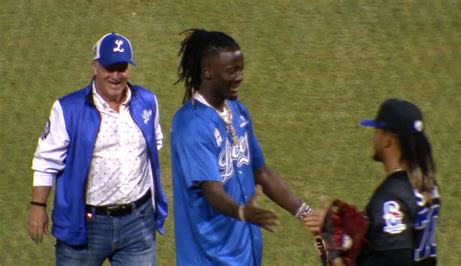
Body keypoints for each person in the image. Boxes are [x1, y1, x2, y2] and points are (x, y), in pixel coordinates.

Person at [170, 28, 313, 266]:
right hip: (210, 257)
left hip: (245, 253)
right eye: (231, 71)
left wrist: (305, 214)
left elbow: (260, 172)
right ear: (207, 72)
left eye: (241, 68)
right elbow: (212, 190)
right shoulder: (191, 125)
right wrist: (242, 212)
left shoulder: (237, 111)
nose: (240, 77)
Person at [26, 32, 168, 266]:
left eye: (121, 68)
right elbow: (46, 161)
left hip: (137, 222)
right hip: (86, 224)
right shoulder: (67, 109)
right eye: (108, 67)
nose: (115, 75)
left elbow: (155, 145)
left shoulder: (147, 101)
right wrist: (37, 205)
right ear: (95, 67)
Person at [304, 99, 440, 266]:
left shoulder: (390, 198)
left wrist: (333, 251)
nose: (374, 137)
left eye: (377, 131)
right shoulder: (427, 187)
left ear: (387, 140)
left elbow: (397, 258)